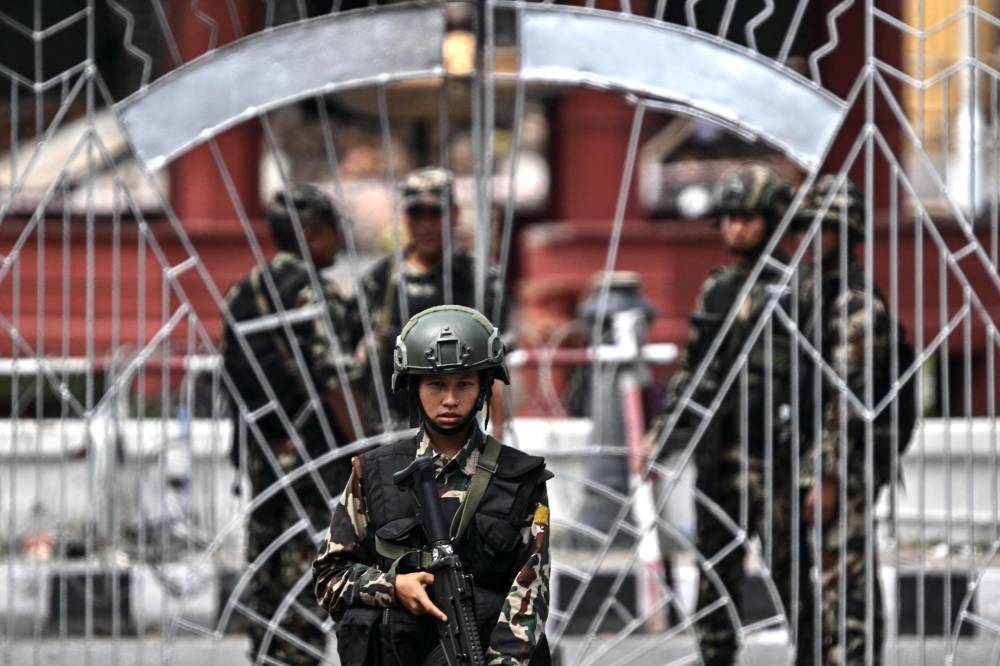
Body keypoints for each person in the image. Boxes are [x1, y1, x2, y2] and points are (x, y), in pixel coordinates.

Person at [314, 305, 551, 665]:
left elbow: (530, 595)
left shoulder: (521, 478)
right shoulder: (373, 472)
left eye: (464, 384)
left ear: (484, 388)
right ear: (413, 387)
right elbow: (329, 579)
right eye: (436, 384)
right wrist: (392, 587)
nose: (451, 399)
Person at [647, 163, 814, 664]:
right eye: (728, 218)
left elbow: (815, 379)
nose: (734, 228)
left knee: (791, 574)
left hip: (777, 457)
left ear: (774, 220)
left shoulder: (799, 289)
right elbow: (694, 369)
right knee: (715, 574)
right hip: (719, 457)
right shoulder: (717, 289)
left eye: (747, 217)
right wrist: (661, 436)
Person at [221, 184, 361, 665]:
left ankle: (265, 652)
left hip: (259, 451)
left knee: (265, 556)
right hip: (313, 454)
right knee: (310, 560)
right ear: (309, 233)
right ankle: (299, 655)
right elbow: (336, 379)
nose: (339, 241)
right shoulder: (317, 294)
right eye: (333, 231)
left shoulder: (243, 291)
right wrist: (362, 446)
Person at [791, 175, 888, 665]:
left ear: (846, 232)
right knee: (829, 577)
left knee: (845, 579)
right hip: (820, 458)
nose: (811, 236)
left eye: (823, 228)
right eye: (807, 225)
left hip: (845, 466)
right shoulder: (816, 291)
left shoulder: (855, 302)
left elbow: (845, 397)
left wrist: (826, 473)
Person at [352, 167, 507, 433]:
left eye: (435, 213)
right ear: (404, 217)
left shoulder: (480, 282)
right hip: (390, 433)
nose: (425, 224)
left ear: (454, 214)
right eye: (416, 213)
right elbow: (352, 363)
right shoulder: (379, 282)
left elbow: (498, 368)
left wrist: (499, 440)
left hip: (458, 435)